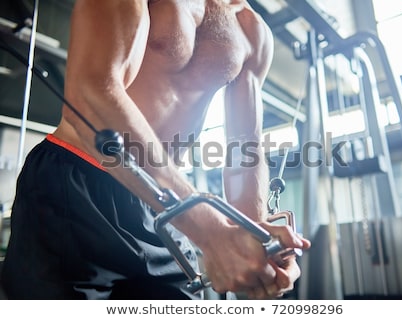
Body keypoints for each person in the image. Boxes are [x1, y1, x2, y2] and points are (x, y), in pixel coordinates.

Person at [2, 0, 310, 299]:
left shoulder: (250, 28)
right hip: (78, 182)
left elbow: (245, 149)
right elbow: (91, 93)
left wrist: (257, 240)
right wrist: (207, 228)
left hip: (165, 206)